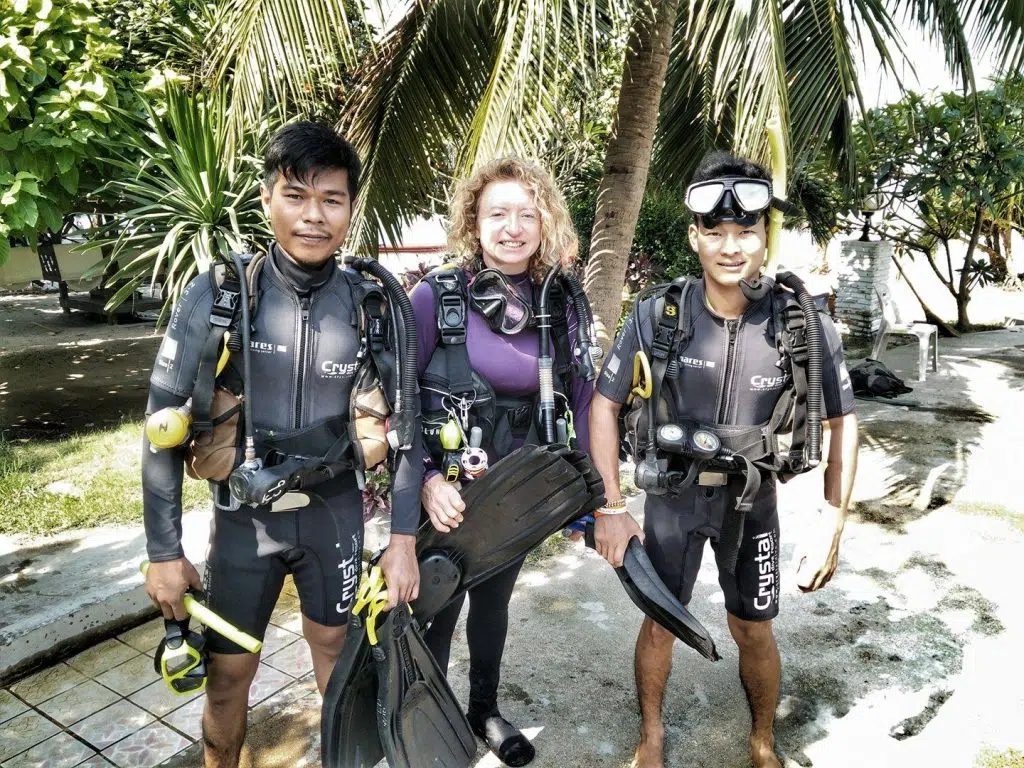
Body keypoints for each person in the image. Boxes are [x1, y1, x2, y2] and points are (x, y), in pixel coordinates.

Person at [140, 121, 422, 768]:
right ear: (267, 199)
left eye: (332, 199)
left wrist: (403, 540)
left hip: (334, 515)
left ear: (352, 208)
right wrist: (164, 552)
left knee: (338, 665)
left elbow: (405, 432)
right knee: (228, 678)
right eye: (296, 196)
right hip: (243, 522)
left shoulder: (373, 304)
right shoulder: (218, 297)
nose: (314, 215)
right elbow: (162, 428)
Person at [588, 151, 859, 768]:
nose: (731, 246)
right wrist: (611, 503)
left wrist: (833, 525)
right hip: (672, 501)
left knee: (753, 628)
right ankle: (651, 737)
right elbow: (603, 407)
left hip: (753, 501)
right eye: (715, 231)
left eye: (747, 231)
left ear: (767, 235)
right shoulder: (658, 315)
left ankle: (762, 740)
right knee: (660, 621)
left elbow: (844, 423)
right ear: (694, 236)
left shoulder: (800, 324)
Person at [409, 156, 595, 766]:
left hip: (518, 490)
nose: (512, 227)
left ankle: (482, 709)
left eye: (526, 213)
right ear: (474, 220)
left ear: (545, 221)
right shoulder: (436, 296)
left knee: (493, 601)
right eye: (497, 213)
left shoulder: (560, 302)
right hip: (448, 486)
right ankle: (425, 721)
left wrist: (597, 497)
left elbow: (588, 397)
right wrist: (428, 480)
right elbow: (392, 397)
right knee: (437, 601)